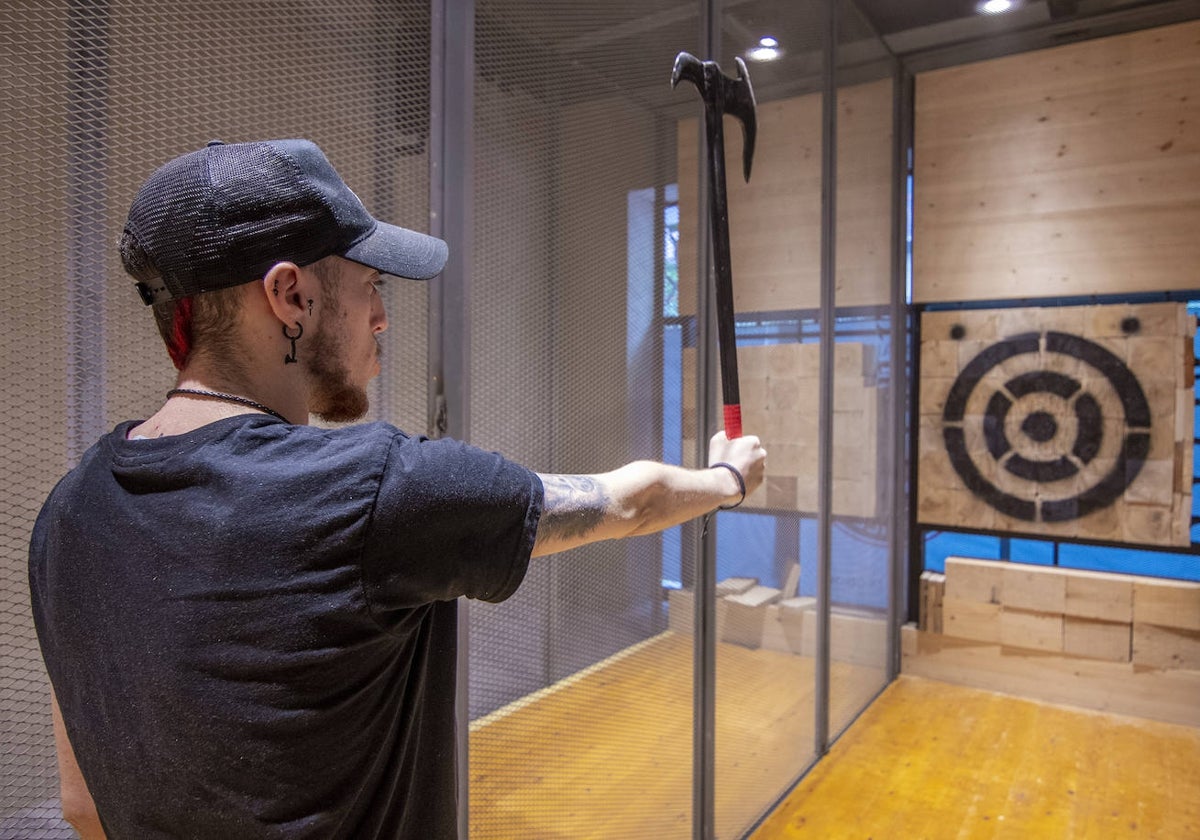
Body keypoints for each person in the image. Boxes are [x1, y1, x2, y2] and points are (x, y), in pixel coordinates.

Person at [29, 138, 766, 839]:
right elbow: (628, 502)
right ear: (289, 295)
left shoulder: (66, 512)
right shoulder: (372, 489)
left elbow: (82, 804)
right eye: (370, 287)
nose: (381, 318)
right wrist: (728, 478)